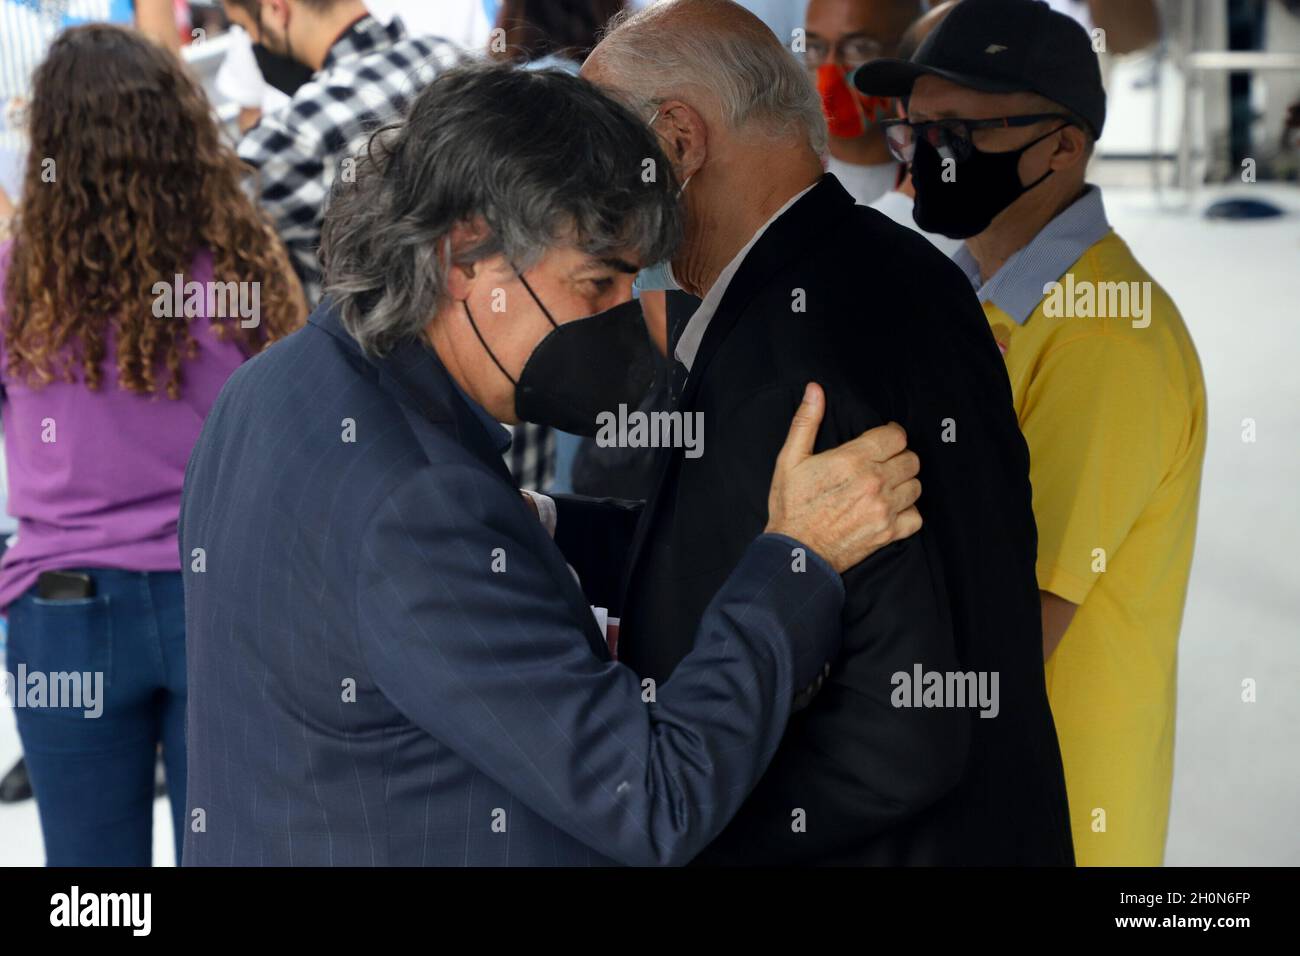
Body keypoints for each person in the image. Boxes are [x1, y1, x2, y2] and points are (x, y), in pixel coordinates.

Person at [180, 62, 925, 867]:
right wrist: (798, 560)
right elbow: (654, 798)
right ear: (465, 257)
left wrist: (541, 529)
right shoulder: (419, 504)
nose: (621, 318)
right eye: (595, 283)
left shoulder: (280, 382)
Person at [581, 0, 1073, 865]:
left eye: (593, 155)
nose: (578, 198)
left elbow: (902, 738)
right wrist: (545, 527)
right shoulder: (892, 268)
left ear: (679, 142)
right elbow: (726, 541)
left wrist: (686, 822)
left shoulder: (790, 358)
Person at [855, 0, 1206, 865]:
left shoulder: (1102, 338)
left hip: (1056, 816)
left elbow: (1014, 619)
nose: (932, 156)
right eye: (919, 129)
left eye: (965, 131)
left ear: (1064, 145)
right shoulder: (980, 299)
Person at [0, 23, 304, 865]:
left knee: (93, 884)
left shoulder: (16, 280)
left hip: (65, 608)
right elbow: (296, 433)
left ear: (50, 141)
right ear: (183, 132)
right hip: (225, 596)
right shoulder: (244, 267)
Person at [220, 0, 459, 307]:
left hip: (372, 344)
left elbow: (202, 237)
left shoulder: (290, 136)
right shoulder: (451, 57)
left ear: (276, 10)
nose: (253, 43)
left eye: (244, 27)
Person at [804, 0, 919, 206]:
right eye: (814, 47)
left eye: (858, 48)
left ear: (909, 53)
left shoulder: (942, 186)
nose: (829, 72)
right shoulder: (779, 180)